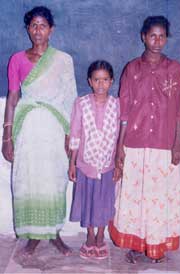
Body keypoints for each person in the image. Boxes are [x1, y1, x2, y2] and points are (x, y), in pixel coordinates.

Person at [109, 16, 180, 263]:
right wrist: (119, 147)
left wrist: (177, 144)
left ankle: (157, 245)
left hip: (163, 146)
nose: (157, 41)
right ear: (143, 36)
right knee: (136, 197)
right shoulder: (132, 69)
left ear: (167, 38)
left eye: (162, 36)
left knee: (158, 196)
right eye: (152, 35)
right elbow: (123, 112)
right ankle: (136, 244)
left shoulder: (174, 70)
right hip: (134, 144)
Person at [1, 6, 77, 256]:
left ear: (51, 29)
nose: (37, 30)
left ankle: (54, 233)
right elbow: (13, 97)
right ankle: (33, 235)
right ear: (27, 29)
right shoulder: (17, 59)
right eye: (33, 25)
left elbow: (70, 99)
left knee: (54, 179)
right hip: (29, 128)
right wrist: (7, 135)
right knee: (29, 179)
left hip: (55, 129)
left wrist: (70, 135)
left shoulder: (64, 60)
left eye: (42, 25)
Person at [68, 60, 120, 259]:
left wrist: (118, 163)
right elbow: (75, 134)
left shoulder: (116, 105)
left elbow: (118, 137)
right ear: (90, 81)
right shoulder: (81, 103)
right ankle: (90, 235)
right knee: (89, 200)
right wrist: (72, 162)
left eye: (105, 80)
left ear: (111, 81)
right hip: (85, 164)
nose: (101, 84)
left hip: (107, 165)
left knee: (104, 201)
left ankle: (101, 235)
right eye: (96, 80)